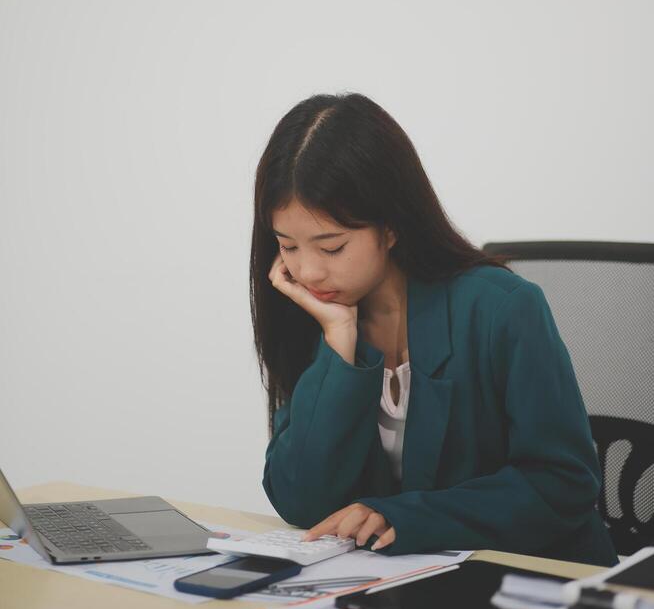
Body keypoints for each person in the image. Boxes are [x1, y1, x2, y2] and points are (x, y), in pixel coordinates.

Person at [250, 92, 618, 567]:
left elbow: (562, 483)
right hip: (391, 589)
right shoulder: (315, 314)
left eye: (332, 247)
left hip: (531, 580)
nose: (310, 272)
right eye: (289, 247)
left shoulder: (501, 309)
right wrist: (339, 348)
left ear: (390, 226)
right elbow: (302, 501)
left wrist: (406, 517)